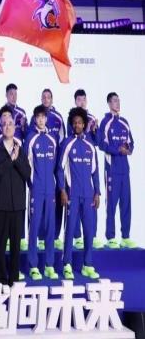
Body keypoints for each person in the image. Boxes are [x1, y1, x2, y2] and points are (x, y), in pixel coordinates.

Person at [58, 107, 101, 280]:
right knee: (70, 230)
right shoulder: (67, 144)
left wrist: (97, 192)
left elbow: (95, 172)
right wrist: (62, 190)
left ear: (84, 125)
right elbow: (60, 169)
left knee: (89, 230)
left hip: (88, 195)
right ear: (72, 124)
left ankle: (87, 265)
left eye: (80, 123)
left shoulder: (90, 146)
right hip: (72, 195)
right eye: (74, 123)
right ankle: (67, 264)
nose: (77, 125)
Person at [0, 116, 31, 287]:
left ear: (15, 128)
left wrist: (16, 159)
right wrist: (10, 160)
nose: (7, 127)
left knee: (15, 245)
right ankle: (1, 278)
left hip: (18, 205)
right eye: (4, 124)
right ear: (1, 128)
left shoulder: (21, 150)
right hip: (2, 205)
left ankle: (14, 278)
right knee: (0, 244)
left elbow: (27, 173)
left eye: (10, 124)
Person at [98, 92, 137, 249]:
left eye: (119, 100)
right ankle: (111, 237)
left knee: (126, 203)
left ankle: (125, 236)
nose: (118, 103)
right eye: (115, 101)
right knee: (111, 204)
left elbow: (131, 142)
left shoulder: (124, 122)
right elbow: (101, 144)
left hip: (124, 169)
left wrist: (128, 149)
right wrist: (117, 150)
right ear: (109, 103)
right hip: (112, 170)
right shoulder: (105, 122)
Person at [25, 106, 59, 281]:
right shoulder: (31, 139)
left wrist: (54, 186)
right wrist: (32, 185)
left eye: (43, 117)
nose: (40, 120)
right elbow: (27, 164)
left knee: (50, 227)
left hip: (50, 189)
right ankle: (33, 266)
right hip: (36, 189)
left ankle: (49, 265)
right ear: (34, 119)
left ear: (46, 119)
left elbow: (55, 165)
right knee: (35, 226)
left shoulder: (53, 139)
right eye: (37, 117)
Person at [65, 89, 102, 251]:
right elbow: (70, 137)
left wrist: (95, 130)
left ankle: (90, 247)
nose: (81, 102)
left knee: (89, 217)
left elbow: (97, 143)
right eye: (78, 99)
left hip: (87, 179)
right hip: (74, 182)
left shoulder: (92, 120)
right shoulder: (72, 123)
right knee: (72, 219)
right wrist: (63, 189)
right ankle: (75, 241)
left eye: (83, 99)